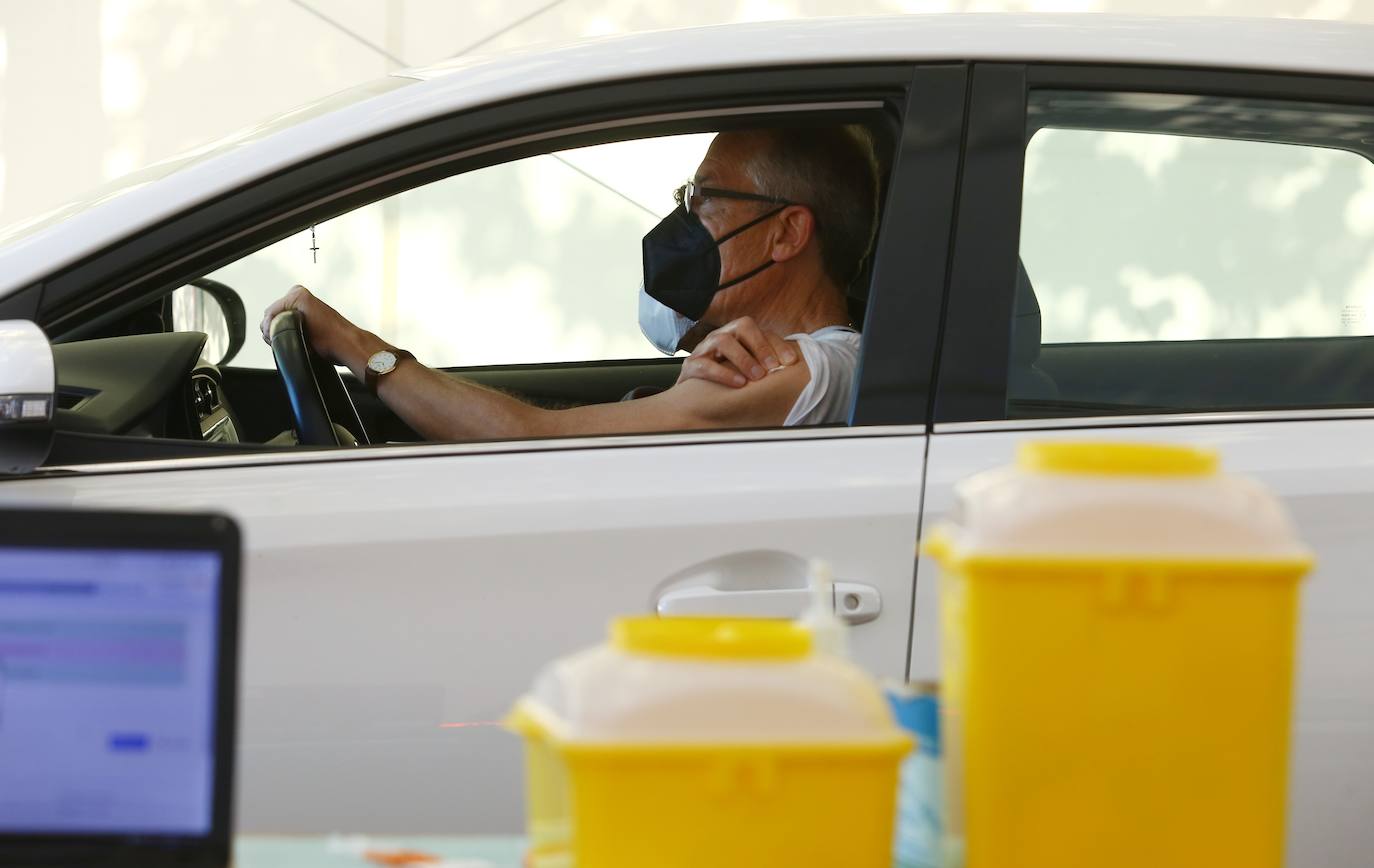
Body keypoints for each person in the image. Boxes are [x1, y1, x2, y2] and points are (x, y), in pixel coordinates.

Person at [259, 125, 879, 441]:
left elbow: (532, 440)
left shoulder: (809, 371)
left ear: (786, 234)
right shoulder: (791, 364)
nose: (682, 222)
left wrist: (353, 344)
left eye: (706, 199)